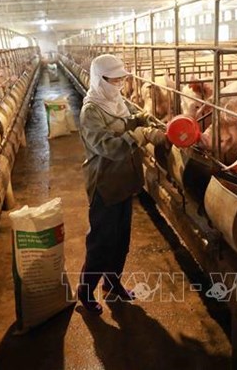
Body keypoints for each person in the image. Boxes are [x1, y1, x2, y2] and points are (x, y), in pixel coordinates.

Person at [76, 54, 169, 315]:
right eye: (113, 80)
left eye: (120, 80)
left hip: (125, 181)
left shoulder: (115, 101)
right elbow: (110, 147)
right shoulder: (91, 111)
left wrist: (143, 120)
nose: (118, 85)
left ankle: (111, 283)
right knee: (101, 242)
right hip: (105, 183)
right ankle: (85, 291)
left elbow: (125, 121)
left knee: (120, 240)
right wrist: (139, 135)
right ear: (99, 79)